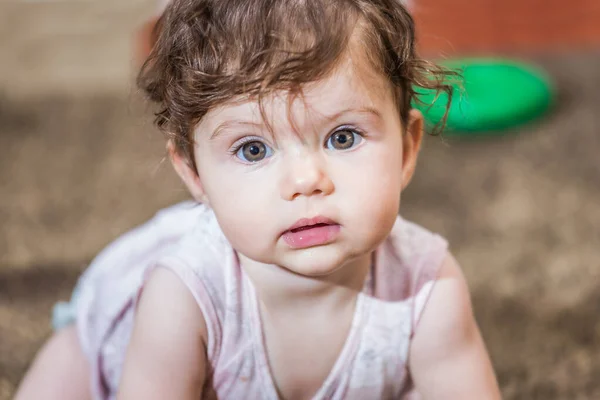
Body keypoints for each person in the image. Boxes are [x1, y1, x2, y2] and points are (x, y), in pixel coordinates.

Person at [15, 0, 501, 398]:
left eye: (344, 137)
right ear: (195, 173)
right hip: (111, 342)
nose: (307, 180)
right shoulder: (181, 298)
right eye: (253, 149)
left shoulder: (427, 287)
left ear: (407, 149)